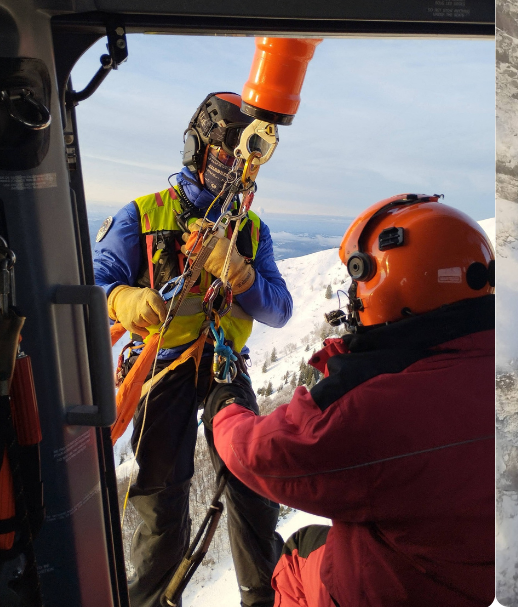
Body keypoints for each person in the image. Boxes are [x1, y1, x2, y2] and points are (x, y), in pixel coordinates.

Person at [203, 194, 495, 607]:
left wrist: (225, 405)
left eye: (358, 279)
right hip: (460, 576)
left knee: (292, 559)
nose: (353, 296)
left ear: (394, 281)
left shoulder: (376, 404)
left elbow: (260, 454)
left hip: (393, 591)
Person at [93, 92, 292, 607]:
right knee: (161, 500)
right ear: (198, 150)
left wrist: (240, 274)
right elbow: (91, 283)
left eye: (241, 163)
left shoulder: (249, 230)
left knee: (250, 476)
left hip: (224, 365)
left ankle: (263, 596)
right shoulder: (143, 215)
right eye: (225, 158)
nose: (233, 174)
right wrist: (123, 297)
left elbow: (279, 309)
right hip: (162, 369)